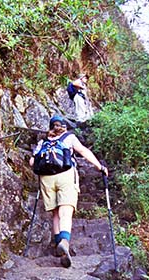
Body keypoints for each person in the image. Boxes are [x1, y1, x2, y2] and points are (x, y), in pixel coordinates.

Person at [29, 114, 108, 267]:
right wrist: (100, 167)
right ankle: (64, 241)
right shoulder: (69, 137)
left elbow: (33, 162)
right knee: (66, 210)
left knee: (55, 213)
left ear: (50, 127)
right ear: (63, 126)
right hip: (65, 175)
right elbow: (84, 151)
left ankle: (59, 245)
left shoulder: (42, 142)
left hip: (46, 179)